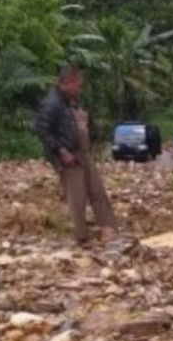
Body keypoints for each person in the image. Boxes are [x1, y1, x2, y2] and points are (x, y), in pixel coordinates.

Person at [33, 66, 117, 245]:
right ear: (68, 83)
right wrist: (62, 151)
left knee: (97, 191)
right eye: (78, 85)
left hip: (84, 153)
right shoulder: (52, 103)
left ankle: (107, 228)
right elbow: (42, 131)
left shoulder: (72, 102)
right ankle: (82, 236)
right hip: (68, 155)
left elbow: (86, 124)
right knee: (77, 196)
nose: (80, 89)